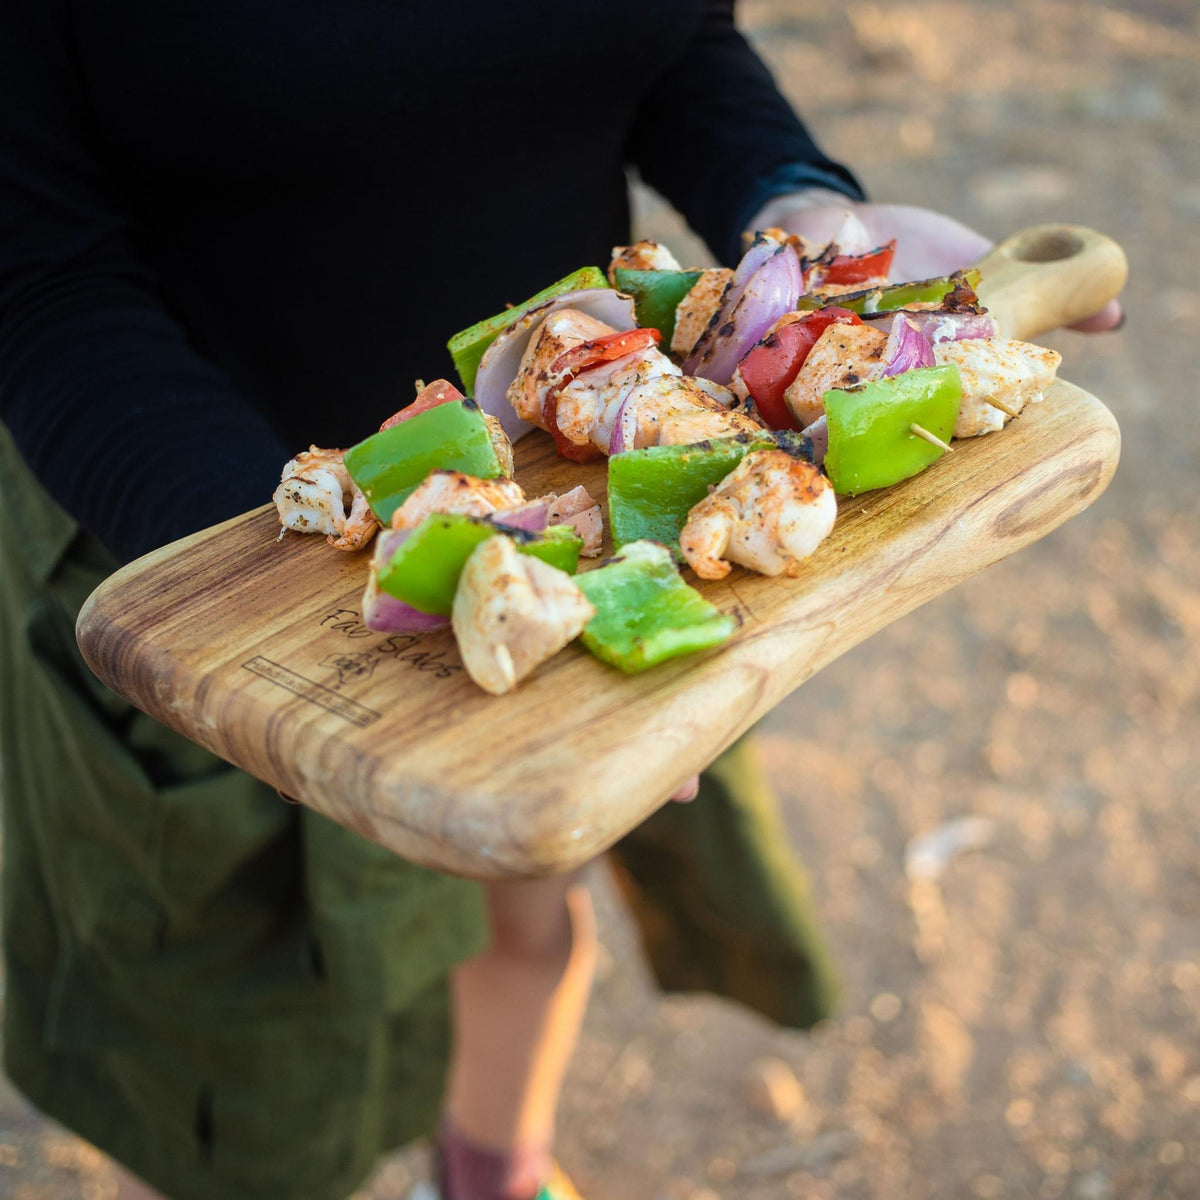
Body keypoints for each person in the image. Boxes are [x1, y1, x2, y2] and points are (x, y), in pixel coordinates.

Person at [0, 3, 1121, 1199]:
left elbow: (675, 44)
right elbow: (42, 279)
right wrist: (284, 561)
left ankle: (490, 1173)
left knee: (529, 909)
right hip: (204, 525)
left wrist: (795, 201)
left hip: (585, 484)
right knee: (262, 1024)